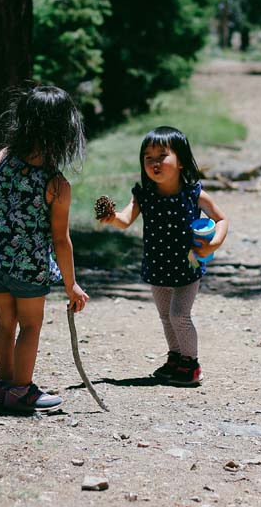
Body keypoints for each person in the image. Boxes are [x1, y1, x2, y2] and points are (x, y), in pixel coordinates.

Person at [0, 85, 90, 411]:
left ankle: (5, 388)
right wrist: (70, 284)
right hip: (28, 268)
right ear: (64, 132)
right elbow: (61, 240)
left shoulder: (4, 157)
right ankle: (22, 389)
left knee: (5, 323)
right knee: (30, 325)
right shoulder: (57, 184)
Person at [98, 126, 228, 385]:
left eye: (162, 156)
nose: (154, 162)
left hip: (187, 266)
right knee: (165, 316)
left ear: (180, 161)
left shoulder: (193, 194)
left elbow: (221, 219)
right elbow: (125, 220)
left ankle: (191, 364)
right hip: (157, 266)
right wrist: (112, 218)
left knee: (179, 315)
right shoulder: (144, 195)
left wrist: (212, 245)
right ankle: (176, 357)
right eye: (148, 157)